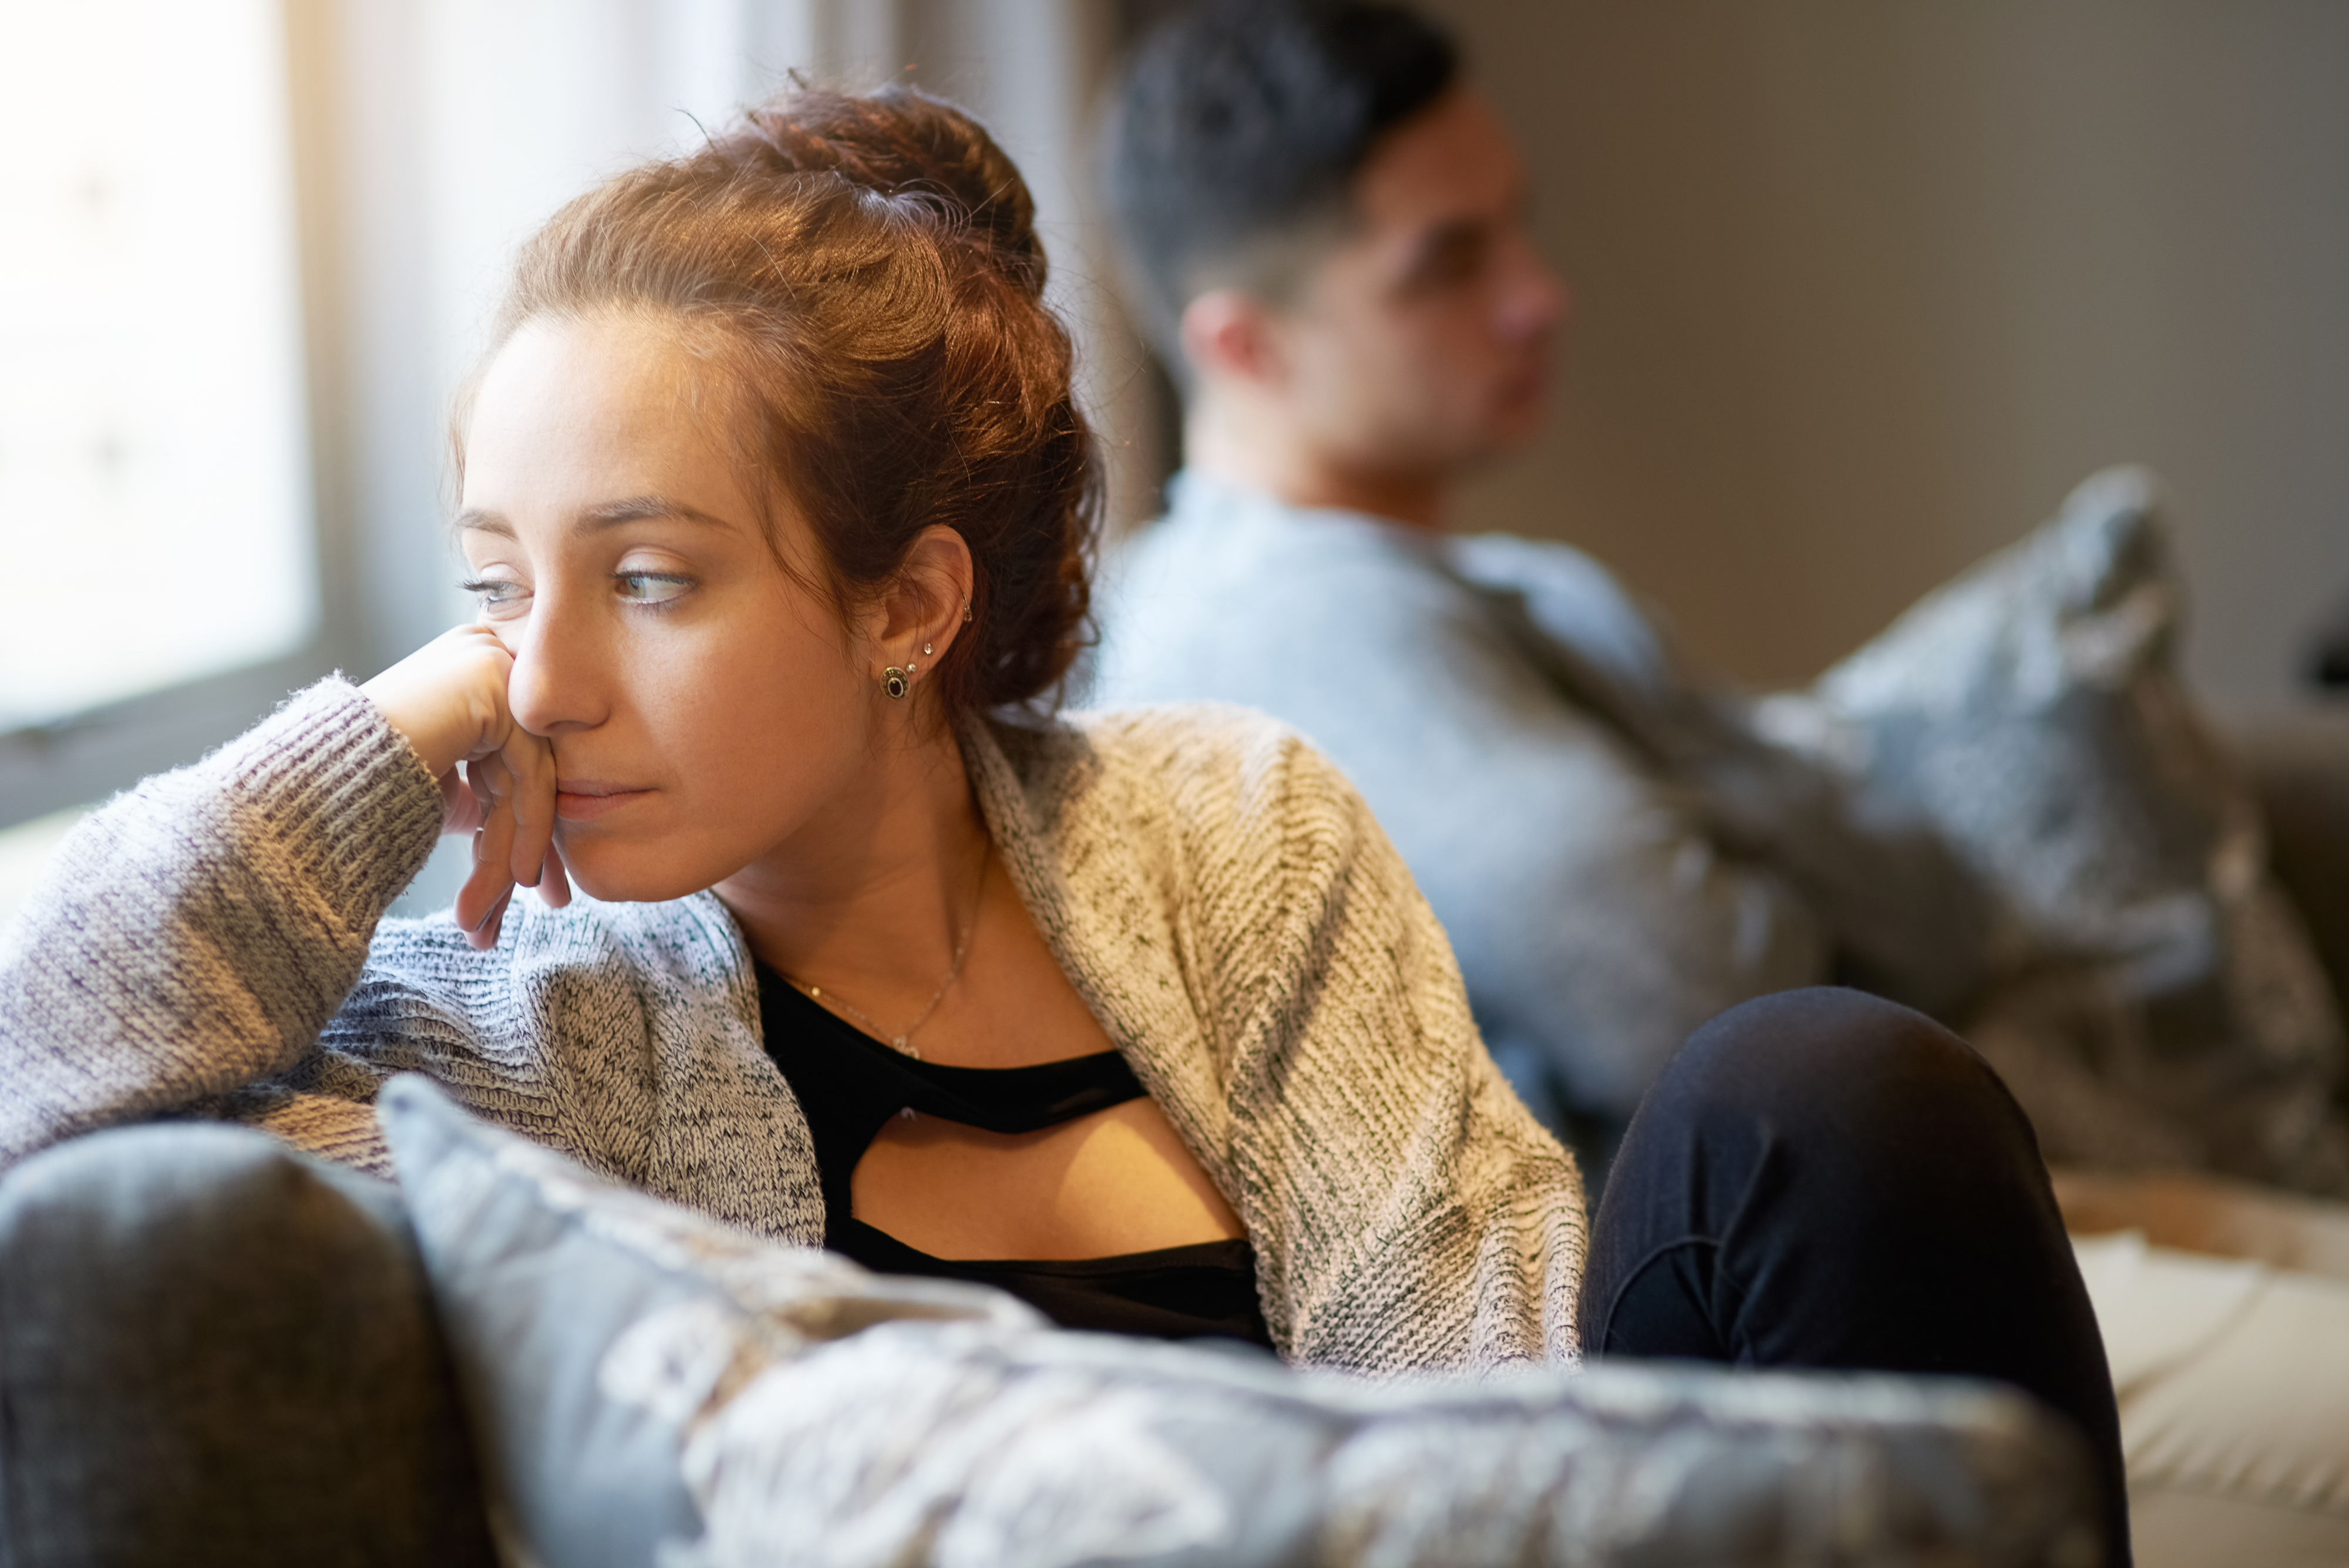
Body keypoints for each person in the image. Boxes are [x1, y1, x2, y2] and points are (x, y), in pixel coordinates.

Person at [0, 83, 2127, 1557]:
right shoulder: (485, 992)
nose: (537, 683)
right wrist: (385, 730)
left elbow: (1475, 1393)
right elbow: (46, 1110)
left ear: (907, 605)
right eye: (491, 586)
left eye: (644, 579)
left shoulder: (1227, 830)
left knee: (1826, 1100)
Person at [1084, 0, 2349, 1201]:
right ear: (1242, 347)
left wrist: (1724, 827)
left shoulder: (1510, 591)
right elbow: (1703, 1006)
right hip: (1766, 1295)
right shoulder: (1285, 623)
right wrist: (1760, 810)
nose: (1539, 296)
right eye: (1447, 263)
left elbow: (1931, 911)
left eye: (1515, 228)